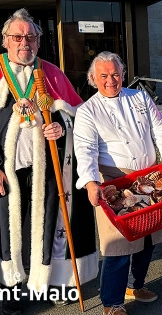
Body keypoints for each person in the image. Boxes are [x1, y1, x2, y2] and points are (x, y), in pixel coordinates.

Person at [0, 8, 98, 314]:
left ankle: (43, 285)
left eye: (31, 36)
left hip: (45, 171)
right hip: (7, 171)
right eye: (18, 36)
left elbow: (80, 118)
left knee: (41, 229)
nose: (24, 42)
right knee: (7, 233)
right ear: (6, 41)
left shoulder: (52, 73)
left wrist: (62, 127)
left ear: (39, 42)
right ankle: (9, 295)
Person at [74, 51, 162, 315]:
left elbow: (159, 130)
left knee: (147, 236)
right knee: (119, 245)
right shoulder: (88, 111)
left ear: (123, 74)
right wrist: (89, 182)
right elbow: (85, 149)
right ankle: (111, 302)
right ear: (93, 79)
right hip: (113, 181)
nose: (111, 80)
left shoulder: (140, 97)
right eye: (104, 76)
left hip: (146, 177)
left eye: (115, 74)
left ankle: (136, 285)